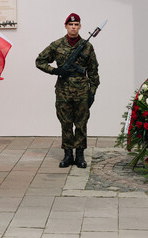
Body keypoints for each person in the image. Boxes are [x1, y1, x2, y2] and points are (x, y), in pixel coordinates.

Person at [36, 13, 100, 168]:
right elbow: (40, 61)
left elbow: (93, 70)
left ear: (80, 26)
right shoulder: (57, 45)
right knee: (65, 123)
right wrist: (55, 71)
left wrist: (92, 91)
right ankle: (67, 155)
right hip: (63, 90)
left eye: (76, 24)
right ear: (66, 26)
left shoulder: (87, 46)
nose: (73, 27)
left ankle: (80, 155)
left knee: (81, 123)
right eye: (71, 25)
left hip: (82, 90)